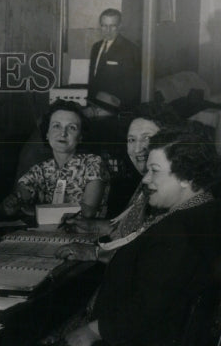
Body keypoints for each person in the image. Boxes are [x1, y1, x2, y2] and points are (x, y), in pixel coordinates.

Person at [17, 127, 221, 346]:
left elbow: (145, 310)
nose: (145, 179)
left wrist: (91, 331)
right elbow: (163, 282)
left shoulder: (176, 233)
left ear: (186, 178)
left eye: (155, 171)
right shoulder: (213, 210)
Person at [57, 105, 184, 262]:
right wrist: (93, 226)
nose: (137, 149)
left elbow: (154, 252)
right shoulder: (146, 182)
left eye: (147, 138)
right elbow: (135, 227)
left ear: (168, 142)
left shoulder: (170, 187)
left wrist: (96, 253)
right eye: (131, 140)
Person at [0, 100, 109, 219]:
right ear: (47, 133)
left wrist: (35, 211)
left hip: (86, 235)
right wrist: (11, 204)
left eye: (72, 128)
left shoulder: (93, 163)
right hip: (47, 235)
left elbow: (88, 212)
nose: (63, 133)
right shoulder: (40, 169)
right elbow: (18, 199)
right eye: (56, 126)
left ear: (80, 137)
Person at [87, 8, 141, 108]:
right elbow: (93, 79)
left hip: (115, 108)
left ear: (120, 26)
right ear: (100, 26)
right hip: (94, 105)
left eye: (112, 26)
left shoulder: (130, 49)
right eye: (104, 26)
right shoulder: (96, 47)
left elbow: (132, 88)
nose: (108, 31)